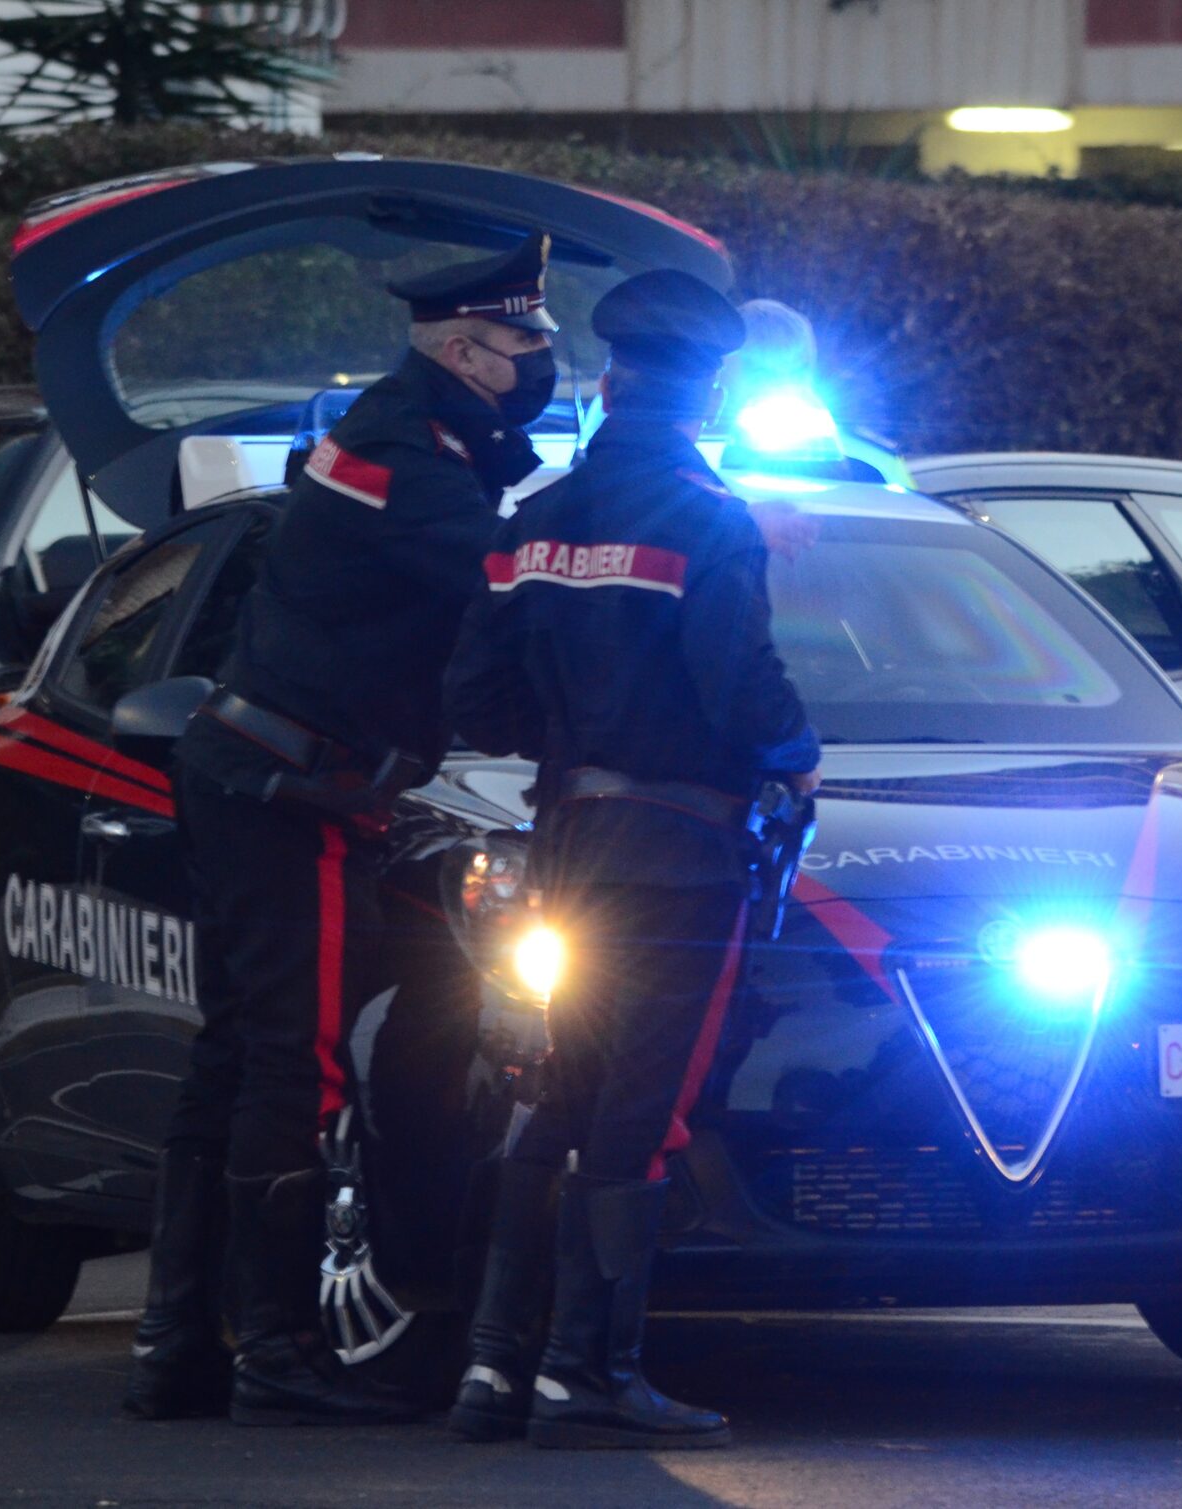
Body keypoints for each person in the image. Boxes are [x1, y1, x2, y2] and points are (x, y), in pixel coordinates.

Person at [122, 234, 561, 1426]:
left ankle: (180, 1344)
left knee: (239, 1054)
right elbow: (501, 583)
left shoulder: (422, 437)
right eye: (524, 341)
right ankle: (275, 1348)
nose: (539, 362)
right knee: (292, 1057)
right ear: (463, 346)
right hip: (287, 790)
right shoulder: (398, 455)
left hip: (279, 778)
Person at [440, 269, 821, 1451]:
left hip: (569, 843)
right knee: (637, 1107)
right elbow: (736, 678)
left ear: (610, 385)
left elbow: (474, 694)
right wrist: (796, 754)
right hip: (677, 855)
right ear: (706, 397)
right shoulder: (707, 518)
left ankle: (495, 1373)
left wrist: (572, 740)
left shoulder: (539, 519)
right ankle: (589, 1372)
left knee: (555, 1090)